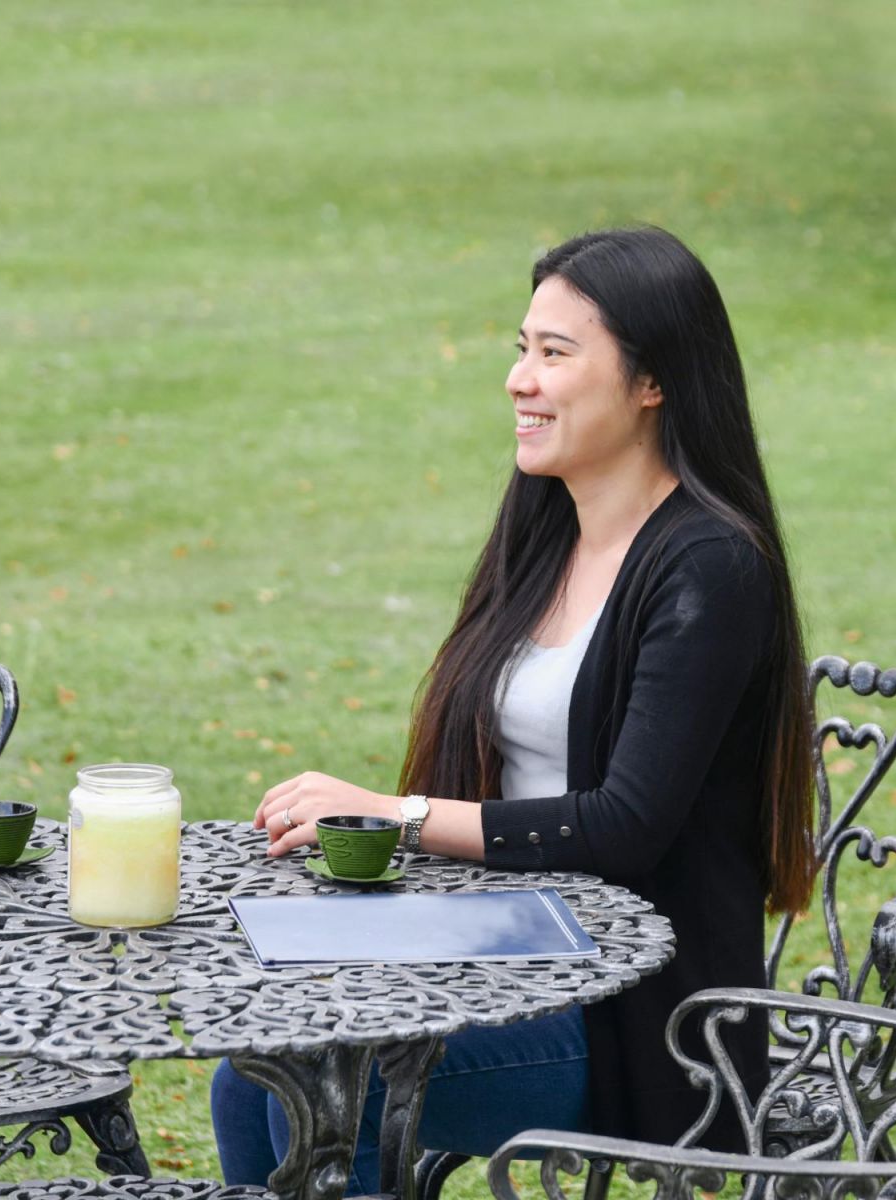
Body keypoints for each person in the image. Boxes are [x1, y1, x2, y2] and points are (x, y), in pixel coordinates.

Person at [211, 226, 816, 1192]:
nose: (518, 379)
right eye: (520, 346)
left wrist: (394, 815)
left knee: (295, 1089)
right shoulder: (545, 529)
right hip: (500, 948)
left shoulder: (710, 567)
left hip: (634, 1017)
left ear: (652, 382)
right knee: (257, 1063)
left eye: (555, 352)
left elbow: (624, 828)